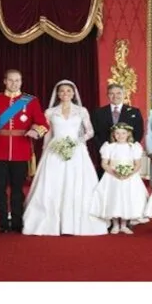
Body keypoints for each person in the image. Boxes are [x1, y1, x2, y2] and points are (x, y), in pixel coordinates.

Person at [22, 79, 108, 236]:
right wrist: (45, 151)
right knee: (52, 184)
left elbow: (90, 132)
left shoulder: (82, 111)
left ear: (73, 93)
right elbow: (48, 134)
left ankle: (75, 223)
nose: (65, 94)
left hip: (77, 151)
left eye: (68, 91)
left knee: (77, 184)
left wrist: (76, 142)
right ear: (57, 94)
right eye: (62, 91)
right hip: (54, 151)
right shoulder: (50, 112)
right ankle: (51, 223)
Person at [0, 69, 49, 233]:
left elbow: (43, 123)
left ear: (21, 82)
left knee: (18, 189)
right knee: (0, 189)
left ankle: (18, 222)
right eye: (11, 80)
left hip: (21, 150)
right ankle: (3, 222)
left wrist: (36, 131)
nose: (14, 83)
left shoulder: (31, 101)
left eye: (17, 80)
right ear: (5, 81)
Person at [90, 122, 149, 234]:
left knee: (127, 198)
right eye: (117, 133)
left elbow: (137, 164)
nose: (120, 135)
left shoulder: (133, 147)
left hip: (129, 177)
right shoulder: (109, 147)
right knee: (114, 198)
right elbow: (104, 163)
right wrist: (114, 172)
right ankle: (115, 224)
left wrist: (129, 173)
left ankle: (124, 224)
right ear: (113, 134)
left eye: (123, 133)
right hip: (112, 176)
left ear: (128, 134)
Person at [92, 84, 144, 178]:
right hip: (107, 154)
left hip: (127, 154)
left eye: (118, 93)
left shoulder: (134, 112)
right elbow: (95, 133)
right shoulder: (98, 112)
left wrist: (130, 147)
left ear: (124, 94)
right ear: (107, 95)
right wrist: (104, 149)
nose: (115, 96)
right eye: (111, 93)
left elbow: (139, 132)